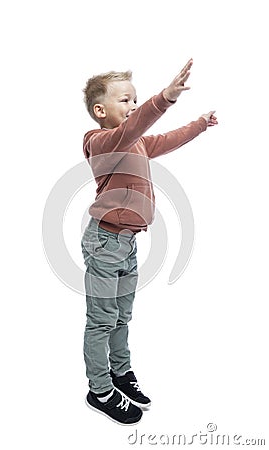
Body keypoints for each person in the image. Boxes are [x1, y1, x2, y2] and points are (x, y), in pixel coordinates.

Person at [81, 59, 218, 425]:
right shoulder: (101, 142)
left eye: (136, 100)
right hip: (104, 243)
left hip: (128, 245)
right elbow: (136, 127)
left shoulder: (136, 142)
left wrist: (199, 125)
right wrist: (165, 98)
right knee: (102, 320)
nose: (134, 107)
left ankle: (120, 374)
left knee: (122, 317)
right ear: (100, 110)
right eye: (125, 100)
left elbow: (165, 139)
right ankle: (99, 391)